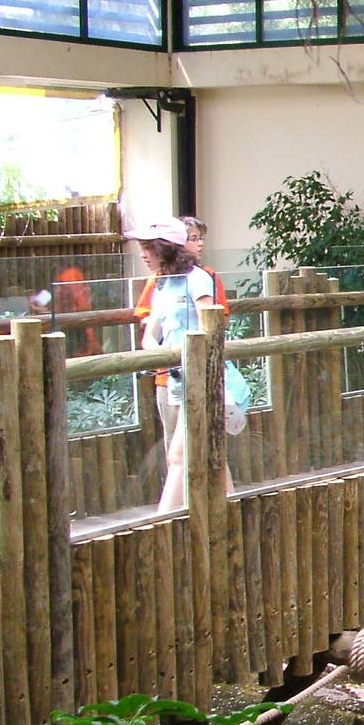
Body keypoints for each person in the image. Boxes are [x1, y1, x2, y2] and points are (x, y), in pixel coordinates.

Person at [125, 216, 231, 511]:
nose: (143, 254)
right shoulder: (161, 284)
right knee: (210, 453)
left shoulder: (198, 278)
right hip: (175, 376)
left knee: (178, 455)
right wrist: (164, 357)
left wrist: (187, 356)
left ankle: (164, 522)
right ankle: (231, 508)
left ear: (166, 248)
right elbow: (150, 335)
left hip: (201, 377)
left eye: (149, 247)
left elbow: (210, 325)